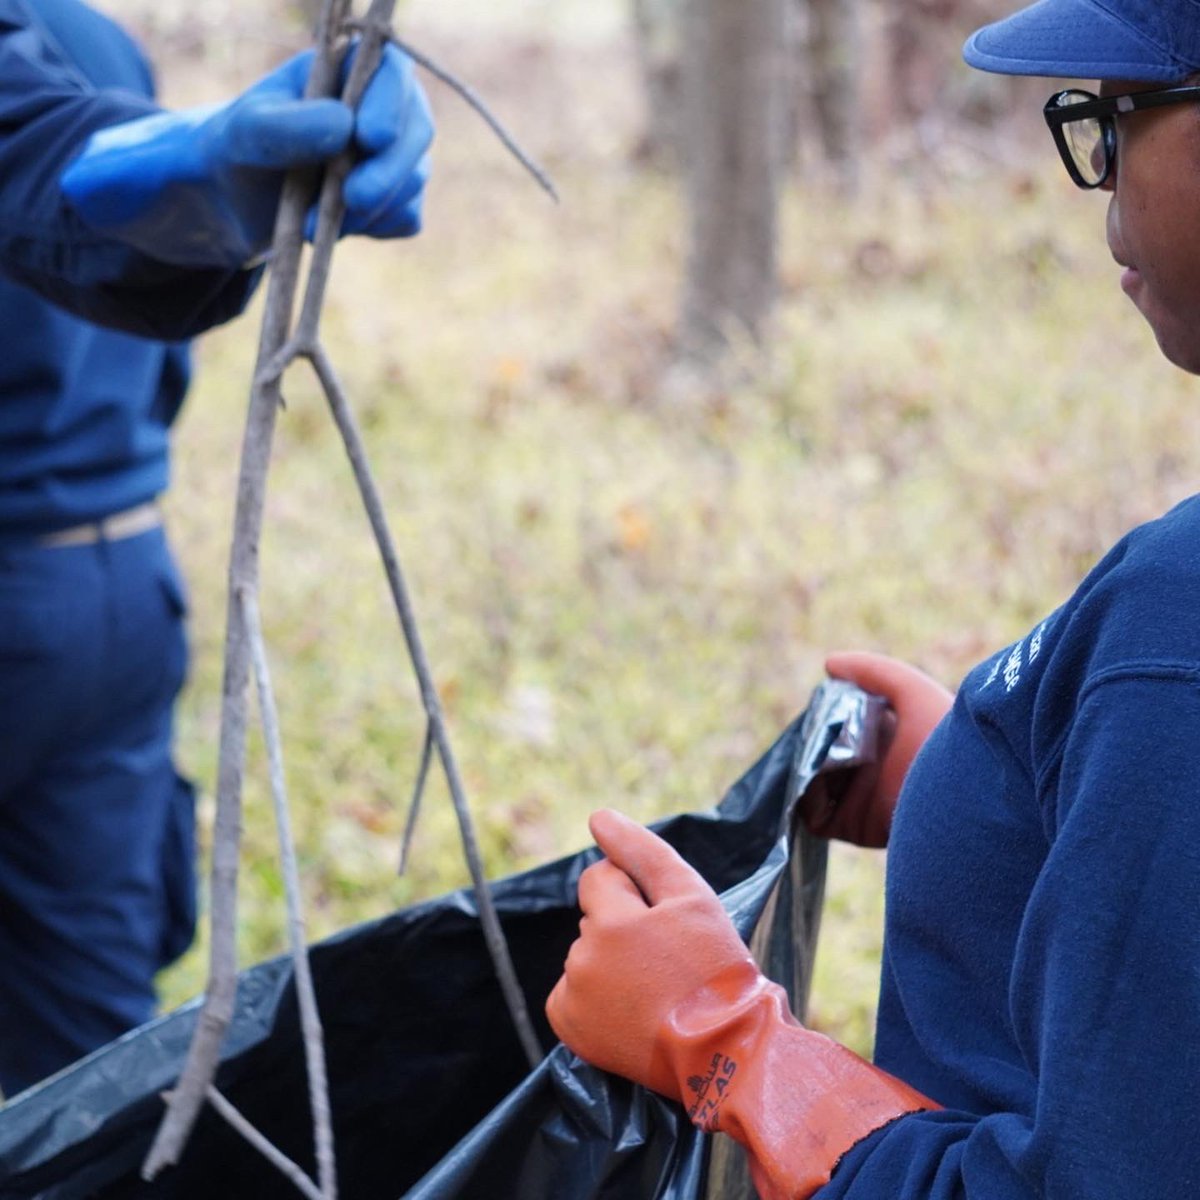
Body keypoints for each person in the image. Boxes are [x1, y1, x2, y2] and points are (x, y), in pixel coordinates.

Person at [546, 2, 1200, 1196]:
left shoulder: (1178, 633)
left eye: (1119, 117)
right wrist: (1013, 786)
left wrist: (731, 1047)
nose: (1102, 177)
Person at [0, 0, 432, 1099]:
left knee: (86, 1050)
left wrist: (195, 177)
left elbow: (42, 160)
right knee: (88, 1073)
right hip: (117, 582)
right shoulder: (96, 41)